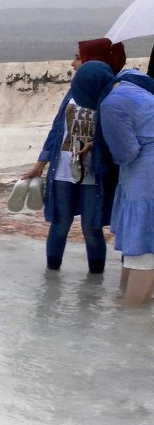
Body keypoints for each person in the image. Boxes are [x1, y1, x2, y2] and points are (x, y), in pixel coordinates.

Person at [20, 39, 127, 273]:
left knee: (92, 228)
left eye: (78, 57)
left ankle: (94, 287)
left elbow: (118, 134)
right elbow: (57, 130)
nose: (72, 63)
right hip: (63, 170)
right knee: (59, 223)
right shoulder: (72, 92)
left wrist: (95, 143)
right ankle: (51, 281)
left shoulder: (113, 94)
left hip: (93, 173)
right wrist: (40, 164)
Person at [70, 61, 154, 307]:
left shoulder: (111, 104)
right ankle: (135, 302)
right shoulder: (129, 84)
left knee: (143, 244)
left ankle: (131, 312)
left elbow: (126, 151)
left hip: (146, 173)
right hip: (145, 169)